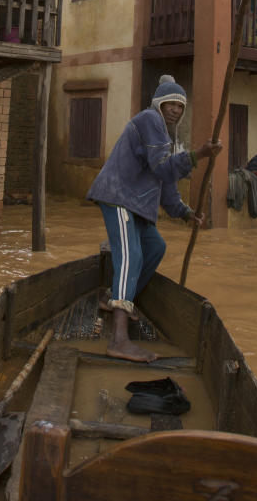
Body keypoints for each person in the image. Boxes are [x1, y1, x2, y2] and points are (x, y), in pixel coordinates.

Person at [86, 75, 222, 362]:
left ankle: (114, 296)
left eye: (181, 106)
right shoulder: (150, 119)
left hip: (135, 205)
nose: (176, 109)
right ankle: (119, 340)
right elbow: (163, 168)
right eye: (171, 103)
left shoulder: (163, 137)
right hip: (118, 196)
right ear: (159, 103)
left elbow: (166, 185)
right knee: (131, 256)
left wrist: (186, 213)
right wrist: (199, 155)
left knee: (155, 247)